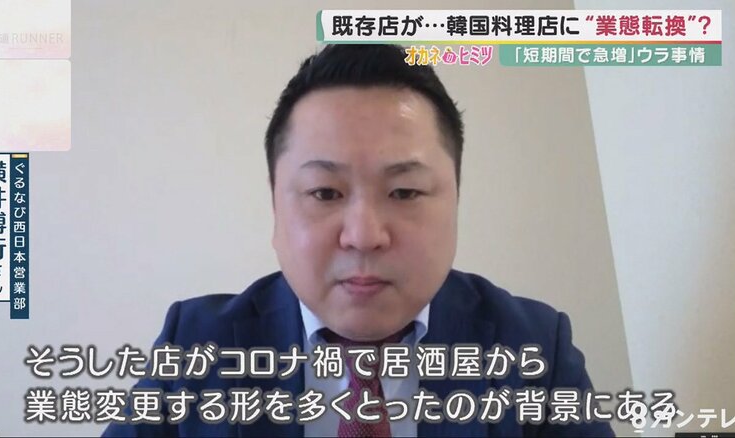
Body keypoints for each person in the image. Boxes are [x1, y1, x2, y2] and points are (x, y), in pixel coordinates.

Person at [103, 44, 614, 437]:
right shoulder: (196, 344)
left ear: (456, 198)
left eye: (405, 192)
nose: (364, 236)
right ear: (276, 206)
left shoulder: (533, 345)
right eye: (325, 192)